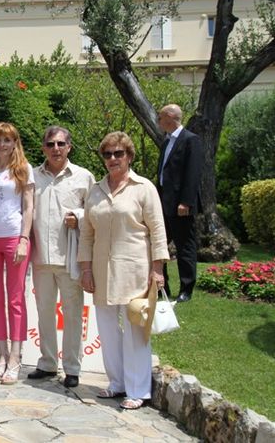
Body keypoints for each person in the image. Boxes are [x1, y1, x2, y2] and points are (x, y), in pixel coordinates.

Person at [78, 131, 169, 410]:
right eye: (108, 154)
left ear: (129, 156)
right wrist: (85, 268)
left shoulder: (144, 188)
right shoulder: (96, 190)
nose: (113, 159)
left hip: (135, 270)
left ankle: (138, 390)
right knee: (107, 329)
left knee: (135, 332)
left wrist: (157, 269)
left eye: (119, 153)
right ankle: (117, 383)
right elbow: (87, 235)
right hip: (102, 271)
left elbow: (157, 231)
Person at [29, 126, 95, 388]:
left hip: (69, 258)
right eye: (50, 144)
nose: (55, 149)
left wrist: (78, 217)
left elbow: (93, 213)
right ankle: (47, 363)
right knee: (44, 312)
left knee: (73, 313)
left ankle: (72, 367)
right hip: (41, 258)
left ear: (69, 146)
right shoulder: (32, 176)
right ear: (43, 147)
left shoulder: (84, 177)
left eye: (60, 144)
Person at [0, 122, 34, 385]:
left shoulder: (23, 169)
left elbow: (28, 207)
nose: (2, 144)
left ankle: (15, 357)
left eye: (7, 140)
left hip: (14, 238)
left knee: (15, 299)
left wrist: (24, 238)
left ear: (15, 143)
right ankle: (1, 356)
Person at [157, 104, 203, 302]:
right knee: (158, 244)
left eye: (160, 117)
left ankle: (186, 288)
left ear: (169, 117)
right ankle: (162, 285)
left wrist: (186, 202)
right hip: (162, 203)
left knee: (184, 246)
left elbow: (193, 174)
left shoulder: (190, 140)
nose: (158, 121)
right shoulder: (167, 141)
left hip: (180, 205)